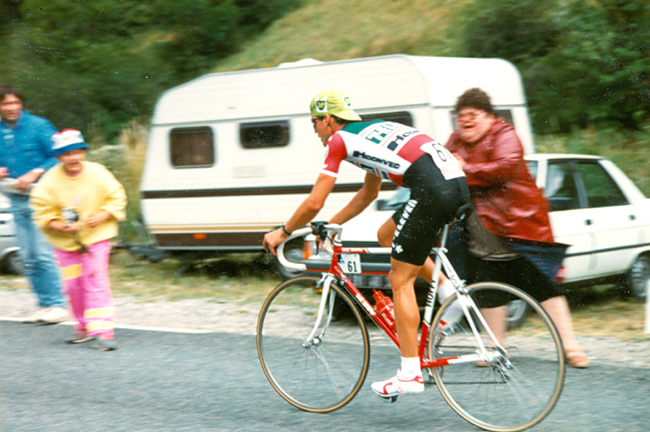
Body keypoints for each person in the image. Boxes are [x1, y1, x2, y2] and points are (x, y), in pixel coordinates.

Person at [263, 89, 470, 399]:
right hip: (455, 186)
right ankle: (452, 295)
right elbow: (369, 194)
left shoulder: (339, 140)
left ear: (328, 120)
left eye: (314, 124)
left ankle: (410, 374)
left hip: (431, 190)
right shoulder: (369, 134)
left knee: (400, 279)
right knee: (385, 235)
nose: (316, 131)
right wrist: (334, 223)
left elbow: (314, 201)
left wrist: (283, 230)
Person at [444, 87, 590, 368]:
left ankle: (571, 349)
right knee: (489, 294)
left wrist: (463, 169)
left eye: (472, 114)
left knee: (546, 289)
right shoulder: (455, 141)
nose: (465, 121)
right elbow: (443, 165)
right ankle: (496, 349)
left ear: (488, 117)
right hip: (481, 237)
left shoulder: (504, 135)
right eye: (460, 116)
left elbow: (504, 168)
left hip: (519, 230)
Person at [30, 129, 127, 351]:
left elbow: (117, 196)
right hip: (66, 243)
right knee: (73, 286)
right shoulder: (49, 181)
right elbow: (42, 212)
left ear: (83, 152)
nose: (73, 157)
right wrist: (59, 225)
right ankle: (83, 327)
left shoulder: (98, 172)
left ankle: (102, 330)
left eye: (77, 152)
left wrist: (103, 214)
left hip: (96, 237)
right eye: (66, 153)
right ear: (58, 157)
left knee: (94, 279)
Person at [0, 84, 68, 324]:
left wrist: (35, 172)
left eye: (14, 103)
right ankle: (44, 304)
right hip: (15, 200)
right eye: (5, 104)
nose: (10, 108)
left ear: (21, 104)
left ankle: (58, 305)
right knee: (27, 256)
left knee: (42, 253)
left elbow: (59, 154)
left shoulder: (39, 126)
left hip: (42, 199)